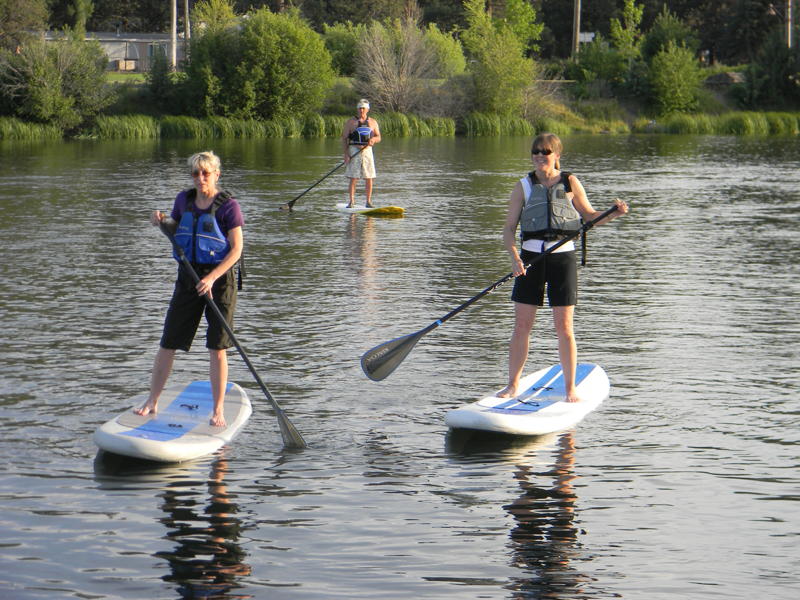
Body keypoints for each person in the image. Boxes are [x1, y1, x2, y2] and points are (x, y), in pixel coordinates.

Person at [498, 133, 628, 402]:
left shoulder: (570, 182)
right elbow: (509, 229)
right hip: (530, 260)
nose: (539, 156)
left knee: (564, 327)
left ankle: (570, 389)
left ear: (557, 155)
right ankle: (512, 385)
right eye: (535, 151)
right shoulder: (522, 186)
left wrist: (613, 213)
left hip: (563, 259)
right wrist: (514, 257)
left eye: (545, 152)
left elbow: (590, 216)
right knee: (522, 325)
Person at [135, 151, 245, 427]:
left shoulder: (229, 206)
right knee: (168, 341)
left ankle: (218, 409)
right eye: (196, 173)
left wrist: (211, 278)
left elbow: (236, 250)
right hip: (187, 277)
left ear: (216, 174)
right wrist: (160, 220)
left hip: (219, 282)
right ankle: (152, 400)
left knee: (217, 347)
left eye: (206, 173)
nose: (200, 178)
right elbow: (176, 226)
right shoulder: (183, 200)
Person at [342, 98, 381, 208]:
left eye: (363, 108)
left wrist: (373, 140)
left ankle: (368, 202)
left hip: (367, 151)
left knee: (369, 177)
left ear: (367, 109)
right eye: (359, 108)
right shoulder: (351, 122)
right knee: (353, 177)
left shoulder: (373, 122)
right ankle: (351, 201)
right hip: (354, 150)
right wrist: (346, 154)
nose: (361, 110)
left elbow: (378, 137)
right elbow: (344, 138)